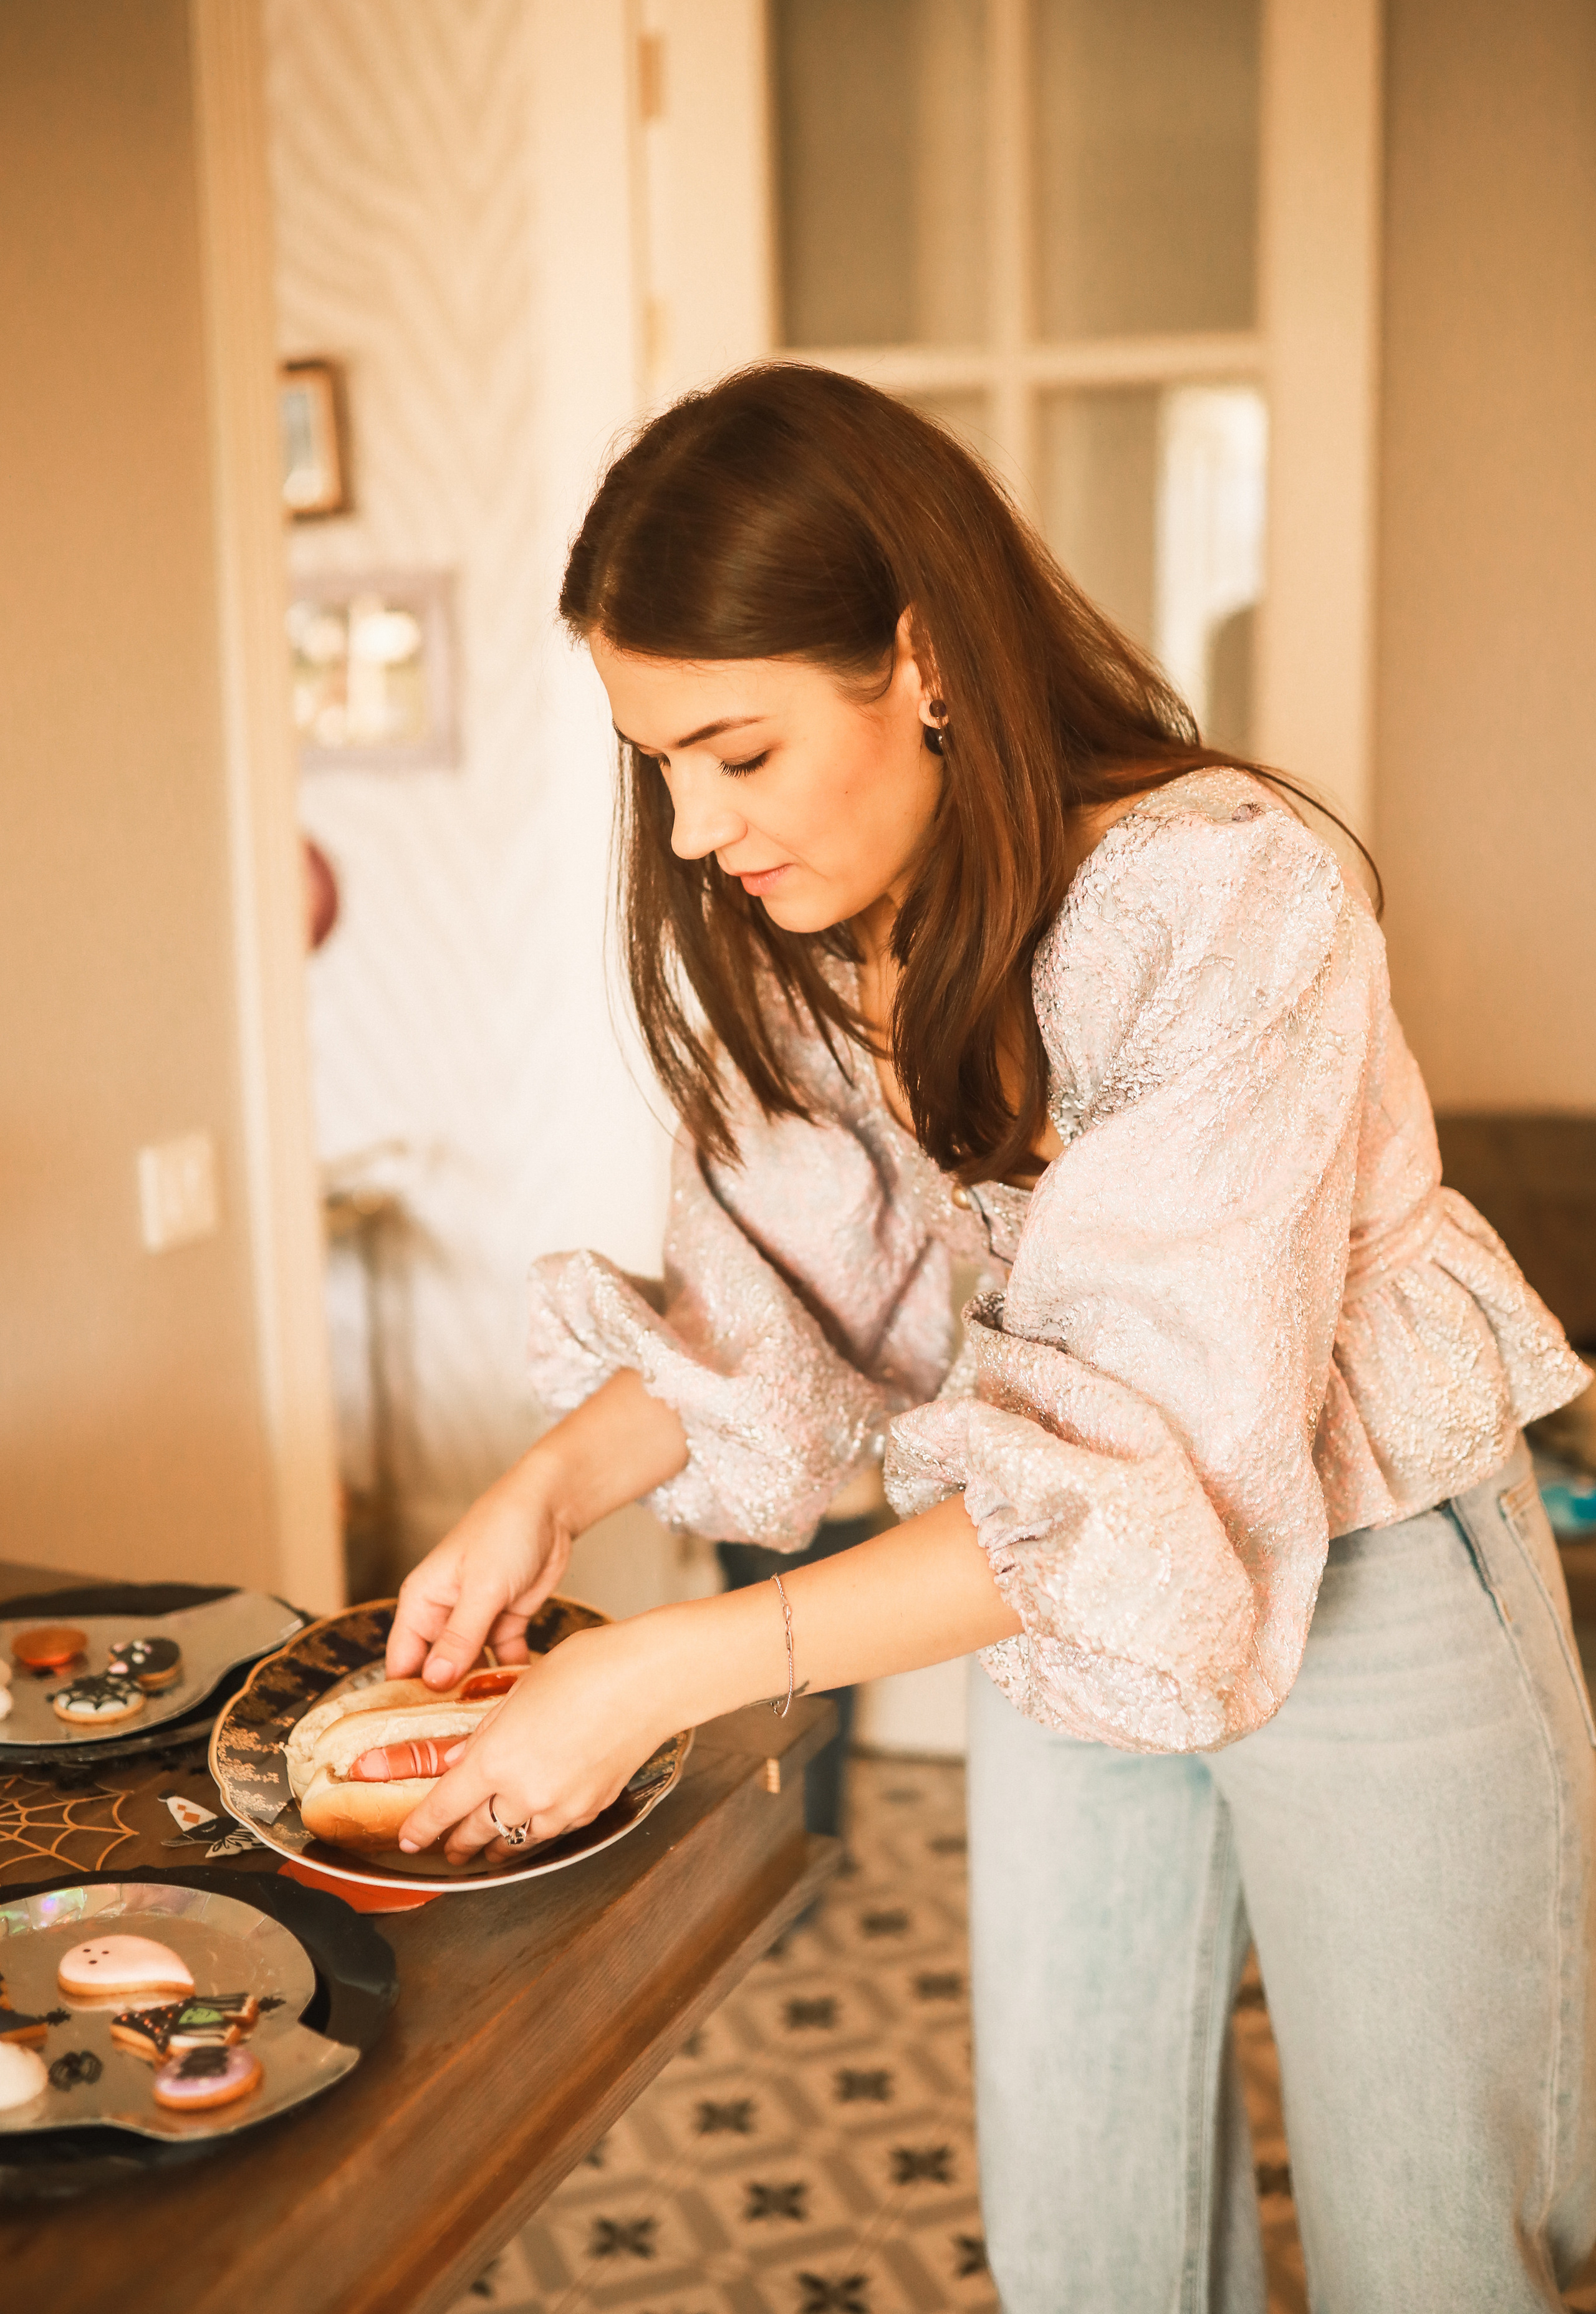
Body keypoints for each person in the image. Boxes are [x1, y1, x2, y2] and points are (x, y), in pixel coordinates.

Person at [379, 366, 1595, 2312]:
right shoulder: (821, 937)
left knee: (1437, 2247)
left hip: (1372, 1566)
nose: (697, 829)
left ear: (921, 659)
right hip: (1072, 1595)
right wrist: (545, 1488)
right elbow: (776, 1300)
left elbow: (1159, 1450)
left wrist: (659, 1676)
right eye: (659, 766)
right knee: (1084, 2224)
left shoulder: (1218, 892)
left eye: (738, 751)